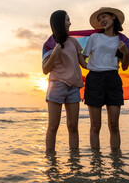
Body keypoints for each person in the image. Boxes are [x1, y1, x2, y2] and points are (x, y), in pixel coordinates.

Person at [82, 7, 129, 150]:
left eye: (104, 17)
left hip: (113, 79)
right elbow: (83, 57)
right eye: (99, 19)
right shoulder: (94, 37)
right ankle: (97, 164)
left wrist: (125, 53)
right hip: (95, 79)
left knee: (114, 125)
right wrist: (90, 67)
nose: (102, 20)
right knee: (96, 126)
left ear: (113, 17)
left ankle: (116, 164)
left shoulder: (121, 40)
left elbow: (125, 66)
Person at [42, 10, 87, 154]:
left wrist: (107, 59)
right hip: (57, 86)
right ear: (60, 23)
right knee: (53, 126)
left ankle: (74, 161)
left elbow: (84, 64)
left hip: (74, 87)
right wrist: (54, 53)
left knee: (73, 126)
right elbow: (45, 70)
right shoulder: (49, 44)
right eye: (68, 20)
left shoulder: (73, 42)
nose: (70, 23)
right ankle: (51, 160)